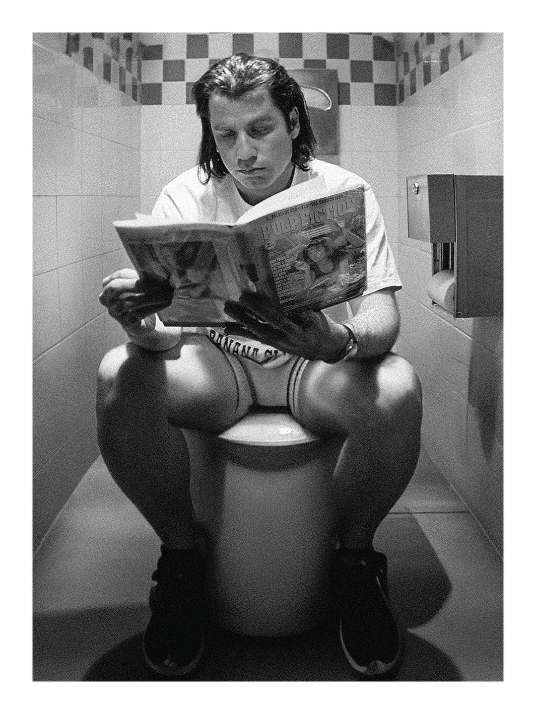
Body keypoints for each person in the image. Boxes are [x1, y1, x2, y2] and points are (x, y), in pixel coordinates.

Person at [97, 53, 422, 680]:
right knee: (119, 373)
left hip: (312, 368)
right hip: (218, 365)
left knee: (398, 386)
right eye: (225, 135)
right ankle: (180, 560)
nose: (242, 152)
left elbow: (383, 317)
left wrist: (336, 339)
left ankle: (356, 561)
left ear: (293, 122)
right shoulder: (185, 196)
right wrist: (138, 324)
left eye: (260, 129)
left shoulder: (343, 191)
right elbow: (164, 337)